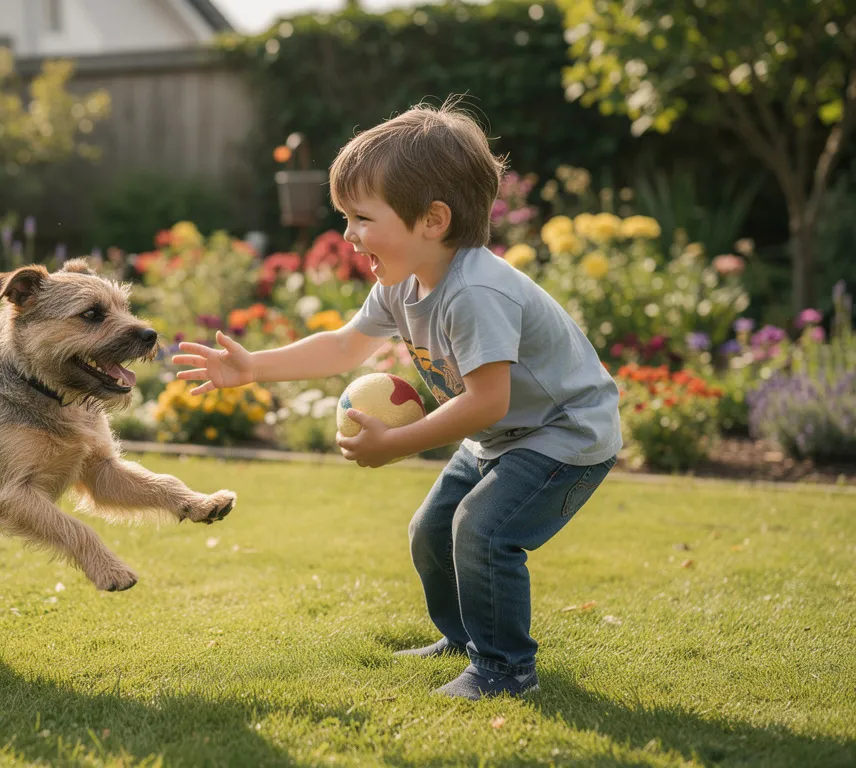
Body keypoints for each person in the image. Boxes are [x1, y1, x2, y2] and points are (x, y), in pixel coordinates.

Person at [171, 100, 622, 699]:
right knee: (431, 531)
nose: (348, 235)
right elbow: (342, 347)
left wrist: (395, 446)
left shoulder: (477, 292)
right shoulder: (402, 285)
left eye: (360, 218)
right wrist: (253, 367)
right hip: (504, 435)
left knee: (484, 532)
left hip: (564, 436)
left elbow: (487, 401)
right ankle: (463, 638)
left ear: (432, 220)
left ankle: (506, 670)